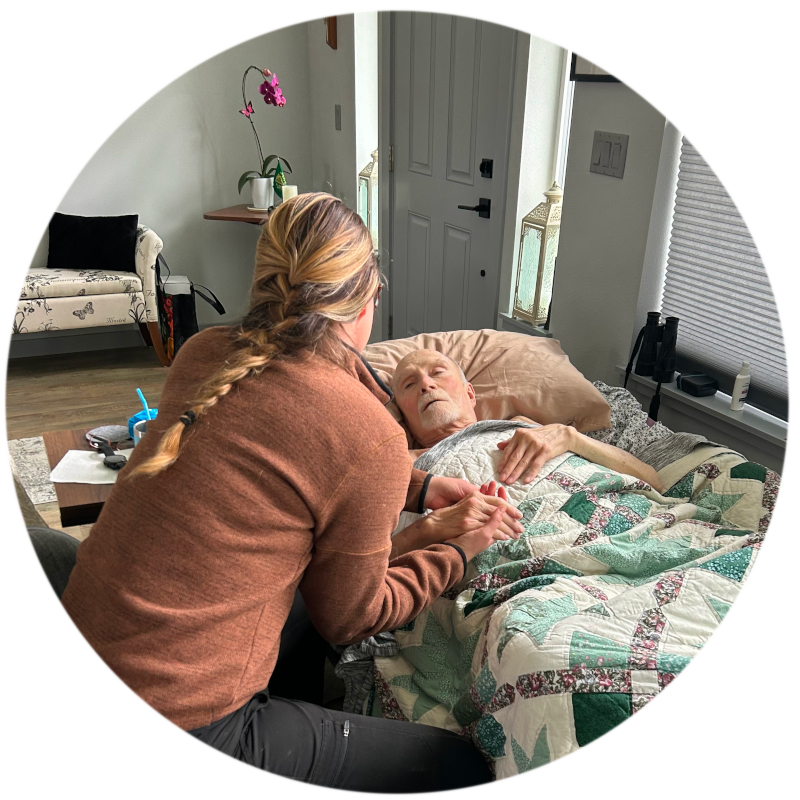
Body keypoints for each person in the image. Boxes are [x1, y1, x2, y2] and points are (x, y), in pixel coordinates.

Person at [48, 194, 529, 792]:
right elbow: (352, 618)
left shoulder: (202, 351)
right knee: (461, 768)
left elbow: (289, 448)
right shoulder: (371, 433)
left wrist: (421, 487)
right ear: (367, 298)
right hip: (191, 718)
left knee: (298, 601)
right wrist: (457, 551)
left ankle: (290, 719)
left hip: (99, 636)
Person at [391, 349, 664, 492]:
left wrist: (571, 437)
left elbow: (653, 481)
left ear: (470, 393)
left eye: (437, 372)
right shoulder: (403, 464)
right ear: (403, 416)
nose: (426, 385)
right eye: (409, 384)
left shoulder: (521, 424)